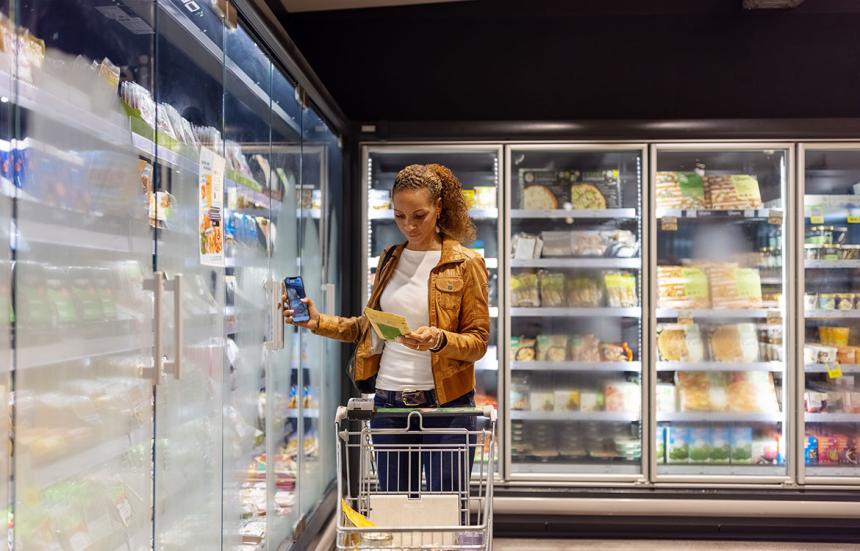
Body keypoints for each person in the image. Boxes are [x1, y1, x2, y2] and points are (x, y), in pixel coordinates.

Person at [282, 163, 489, 494]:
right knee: (394, 510)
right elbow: (368, 328)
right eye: (399, 216)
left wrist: (439, 339)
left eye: (419, 215)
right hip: (388, 402)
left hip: (446, 405)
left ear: (439, 207)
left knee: (443, 512)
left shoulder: (466, 263)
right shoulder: (390, 258)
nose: (409, 225)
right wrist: (316, 321)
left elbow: (478, 342)